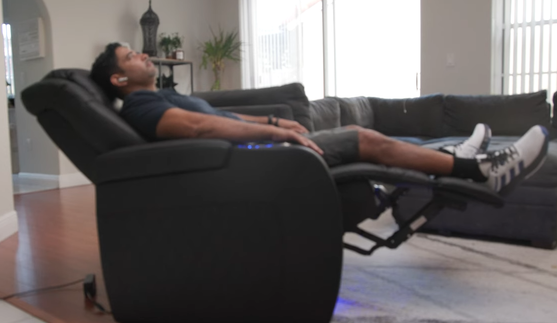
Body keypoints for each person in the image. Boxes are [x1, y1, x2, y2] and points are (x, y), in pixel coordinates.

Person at [90, 42, 549, 194]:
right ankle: (478, 171)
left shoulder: (159, 96)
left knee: (354, 131)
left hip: (262, 151)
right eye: (131, 56)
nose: (144, 55)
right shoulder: (142, 106)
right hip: (260, 163)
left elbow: (215, 115)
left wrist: (275, 122)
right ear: (118, 79)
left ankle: (451, 157)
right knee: (365, 139)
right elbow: (198, 129)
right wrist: (273, 130)